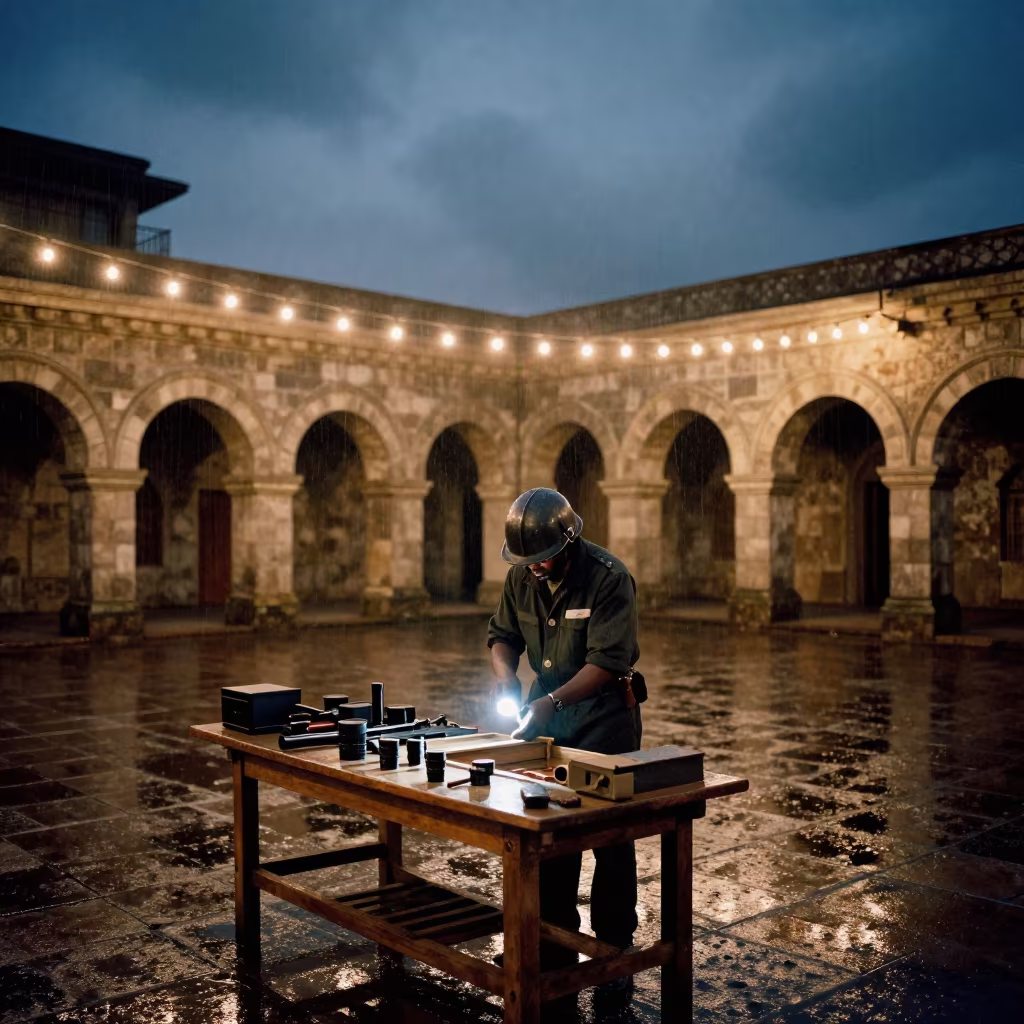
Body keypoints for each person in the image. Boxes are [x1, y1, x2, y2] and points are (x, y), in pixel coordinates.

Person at [487, 486, 642, 976]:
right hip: (545, 713)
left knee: (609, 833)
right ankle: (553, 937)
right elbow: (502, 636)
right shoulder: (521, 575)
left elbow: (607, 662)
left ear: (570, 541)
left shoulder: (609, 579)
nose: (534, 566)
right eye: (526, 560)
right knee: (547, 826)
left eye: (543, 558)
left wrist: (551, 702)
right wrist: (506, 677)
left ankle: (615, 943)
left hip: (603, 718)